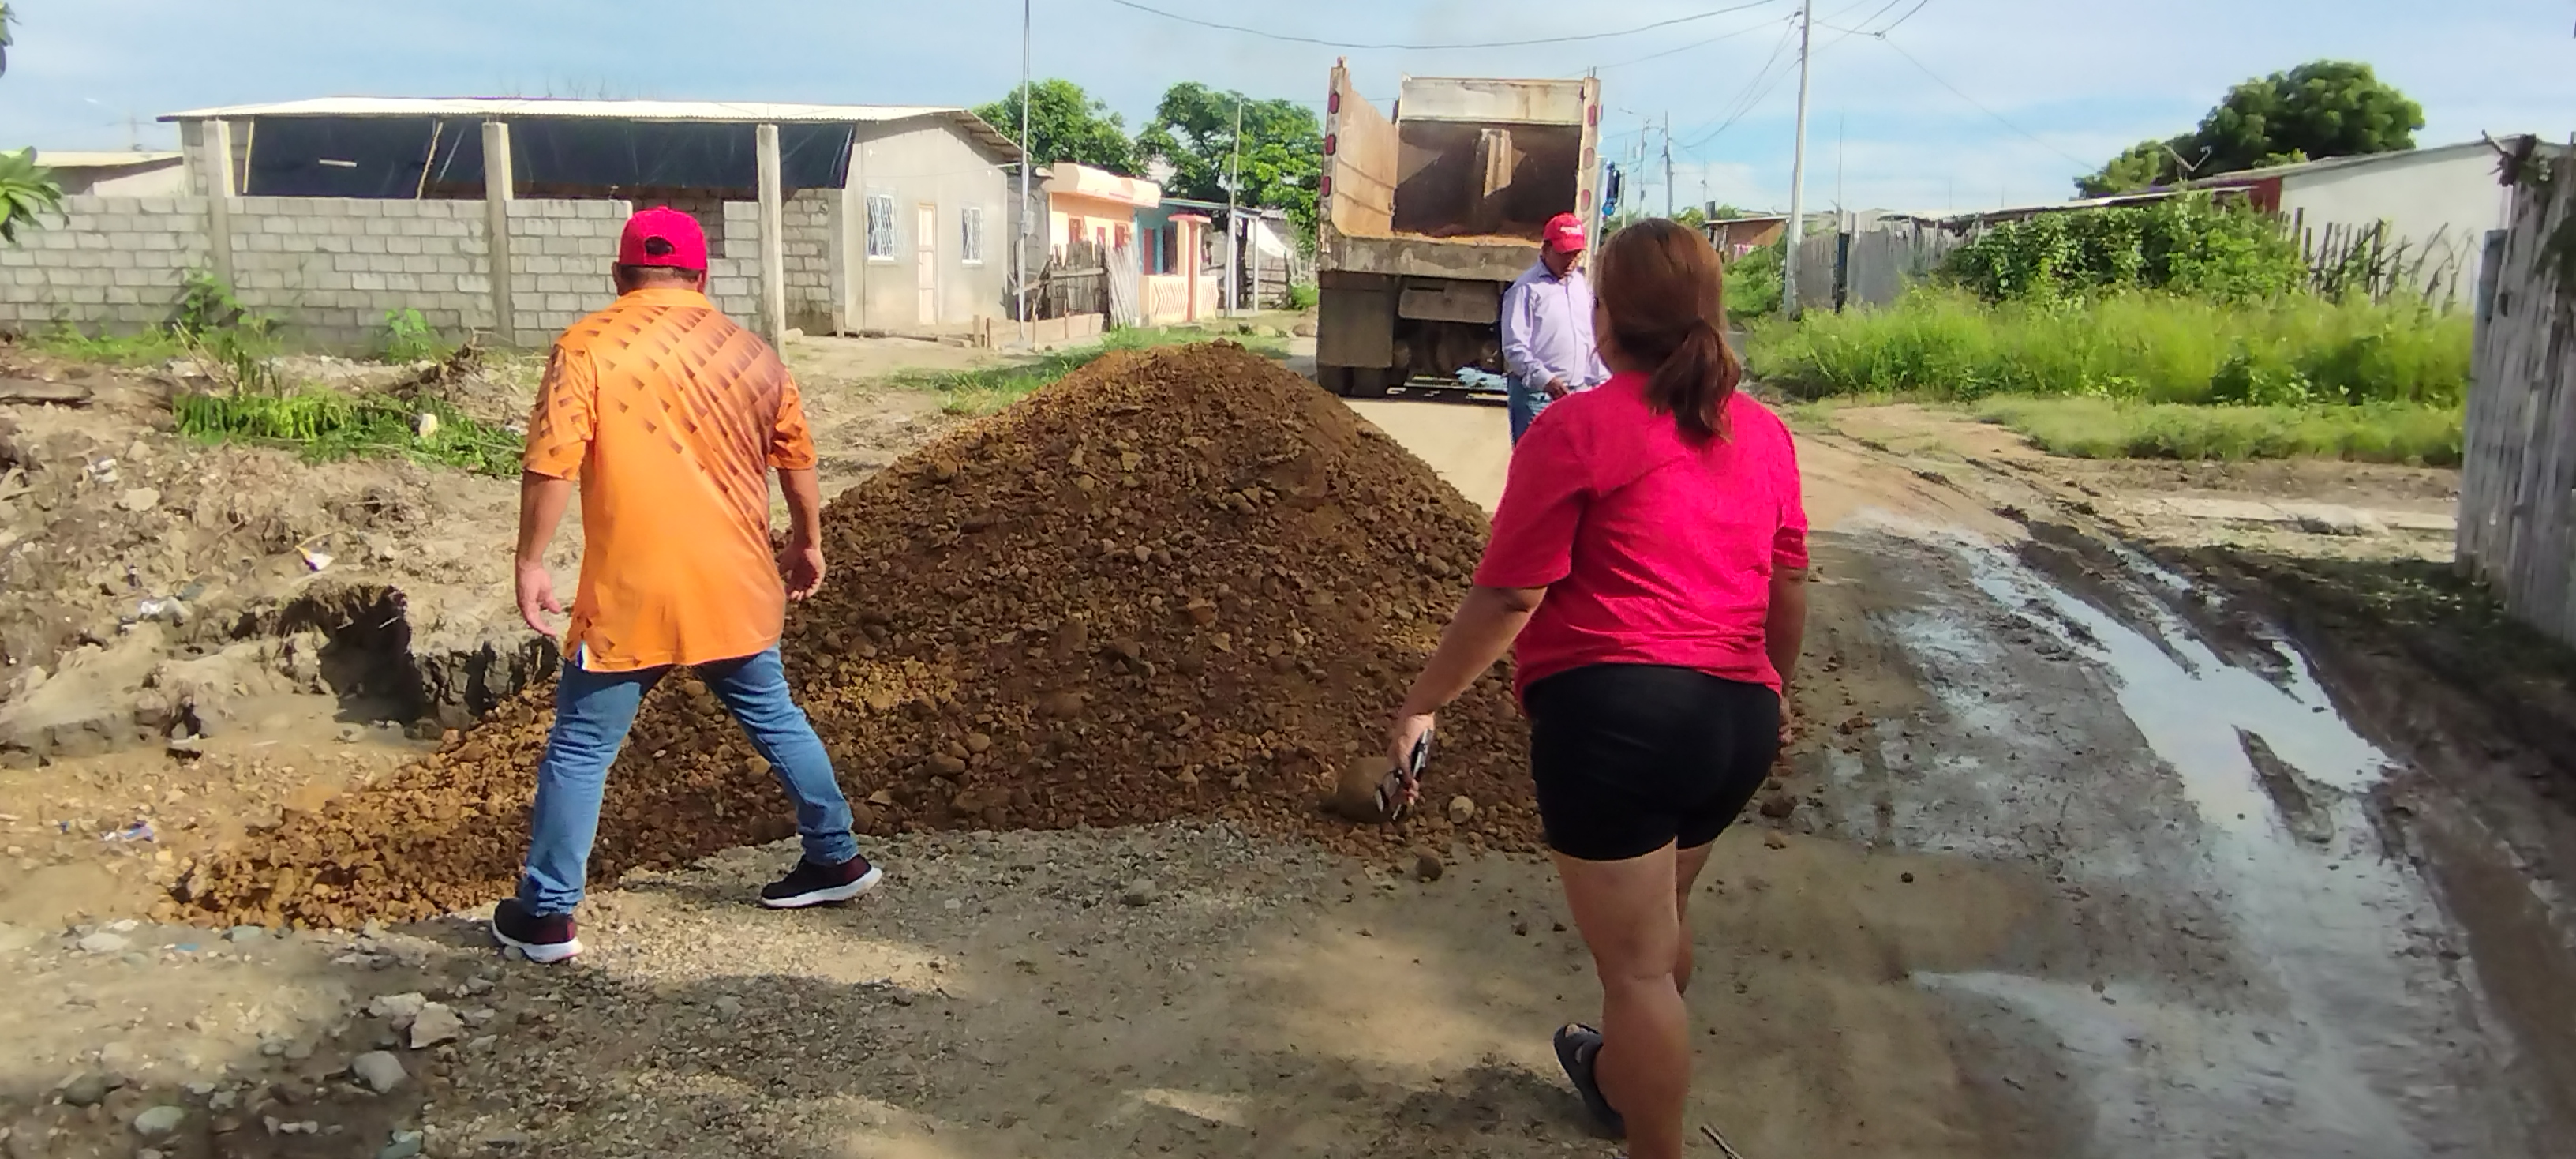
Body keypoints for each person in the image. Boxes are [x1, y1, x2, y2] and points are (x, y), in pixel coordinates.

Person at [1387, 218, 1810, 1159]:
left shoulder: (1578, 427)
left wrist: (1422, 701)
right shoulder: (1766, 434)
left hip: (1620, 723)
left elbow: (1512, 595)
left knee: (1638, 972)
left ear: (1605, 317)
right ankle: (1621, 1077)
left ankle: (1650, 1128)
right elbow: (1787, 585)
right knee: (1662, 923)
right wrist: (1774, 690)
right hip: (1732, 722)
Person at [492, 207, 881, 964]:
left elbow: (551, 462)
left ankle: (546, 915)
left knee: (581, 748)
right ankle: (836, 858)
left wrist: (531, 561)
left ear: (619, 276)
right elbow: (797, 461)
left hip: (631, 593)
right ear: (702, 277)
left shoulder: (587, 346)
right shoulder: (753, 354)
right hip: (735, 582)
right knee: (776, 717)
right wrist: (808, 542)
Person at [1498, 212, 1612, 444]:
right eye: (1564, 253)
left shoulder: (1582, 286)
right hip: (1537, 398)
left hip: (1578, 394)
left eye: (1576, 254)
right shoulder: (1526, 289)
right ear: (1546, 249)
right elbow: (1515, 348)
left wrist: (1601, 383)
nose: (1571, 261)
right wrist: (1546, 380)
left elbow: (1590, 338)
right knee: (1535, 461)